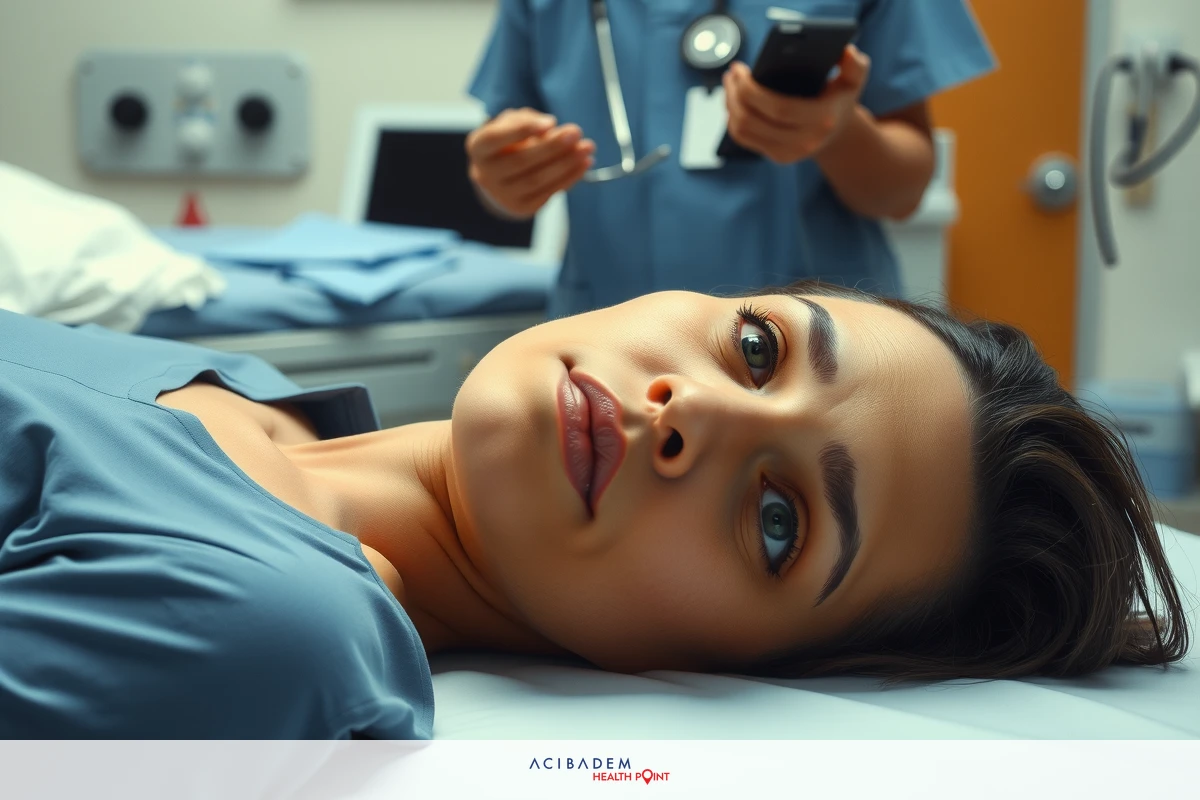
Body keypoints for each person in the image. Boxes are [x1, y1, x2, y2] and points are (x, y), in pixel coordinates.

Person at [0, 280, 1189, 738]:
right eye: (760, 345)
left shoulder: (264, 627)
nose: (694, 414)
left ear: (747, 663)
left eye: (780, 523)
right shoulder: (244, 386)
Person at [465, 0, 995, 317]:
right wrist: (504, 180)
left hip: (818, 344)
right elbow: (501, 169)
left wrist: (835, 133)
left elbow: (903, 190)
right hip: (606, 336)